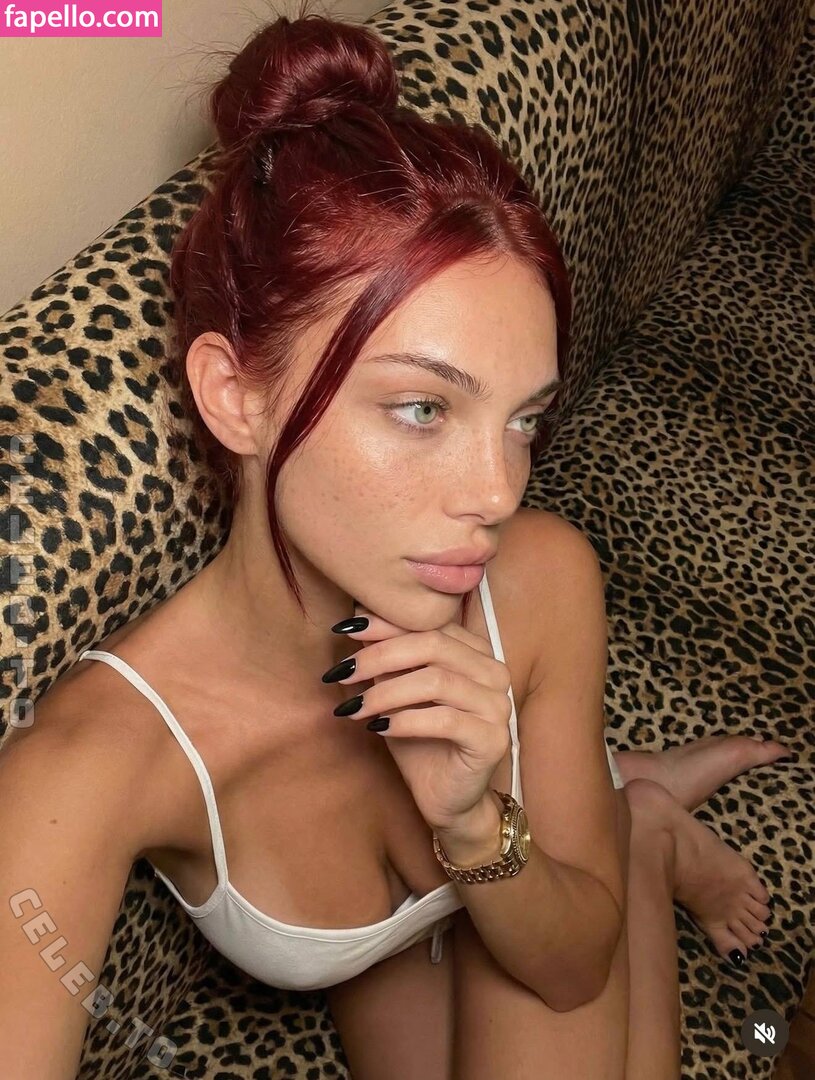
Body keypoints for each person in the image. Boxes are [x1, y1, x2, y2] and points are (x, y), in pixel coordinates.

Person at [0, 6, 792, 1079]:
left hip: (513, 888)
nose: (497, 493)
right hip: (390, 962)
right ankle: (636, 812)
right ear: (235, 397)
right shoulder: (93, 766)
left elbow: (569, 968)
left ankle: (633, 820)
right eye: (422, 408)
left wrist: (472, 827)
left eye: (522, 420)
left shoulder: (539, 580)